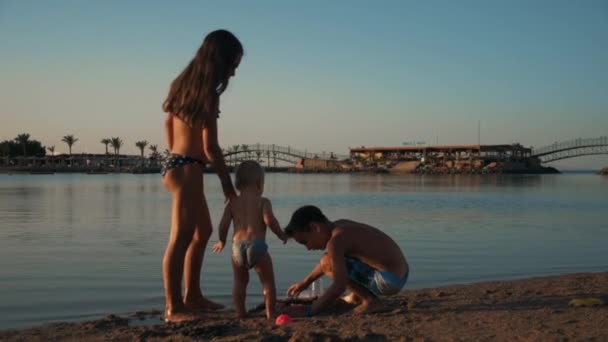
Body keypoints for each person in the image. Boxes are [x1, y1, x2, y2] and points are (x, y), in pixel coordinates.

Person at [161, 29, 242, 323]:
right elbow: (211, 147)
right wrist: (227, 185)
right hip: (187, 169)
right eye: (232, 66)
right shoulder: (208, 94)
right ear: (219, 62)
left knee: (203, 232)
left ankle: (192, 295)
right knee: (179, 239)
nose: (232, 74)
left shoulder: (179, 85)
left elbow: (169, 128)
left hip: (177, 163)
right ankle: (173, 308)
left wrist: (180, 155)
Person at [284, 205, 409, 316]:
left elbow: (339, 284)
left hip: (388, 280)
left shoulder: (336, 242)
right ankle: (357, 297)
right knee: (334, 260)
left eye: (305, 242)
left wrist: (310, 310)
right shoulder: (340, 226)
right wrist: (305, 282)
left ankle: (370, 301)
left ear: (315, 228)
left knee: (327, 261)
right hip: (399, 273)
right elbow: (332, 261)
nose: (308, 248)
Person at [212, 160, 288, 319]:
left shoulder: (233, 202)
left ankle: (240, 313)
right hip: (258, 246)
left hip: (236, 248)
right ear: (260, 182)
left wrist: (222, 241)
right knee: (267, 282)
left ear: (238, 183)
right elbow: (269, 221)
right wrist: (281, 234)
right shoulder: (263, 201)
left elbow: (223, 224)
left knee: (240, 283)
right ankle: (270, 312)